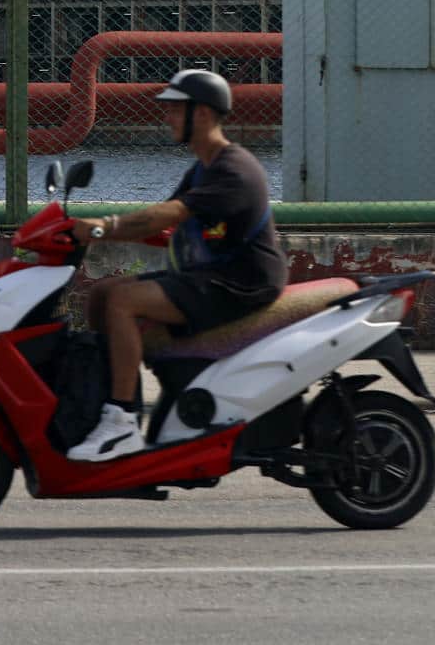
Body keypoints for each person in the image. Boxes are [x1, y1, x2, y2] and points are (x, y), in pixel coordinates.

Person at [62, 68, 287, 461]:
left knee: (122, 302)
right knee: (101, 294)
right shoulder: (202, 169)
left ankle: (122, 421)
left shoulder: (233, 169)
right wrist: (87, 235)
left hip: (239, 284)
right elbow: (164, 228)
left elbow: (165, 215)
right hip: (210, 277)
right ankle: (105, 401)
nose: (166, 118)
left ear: (201, 114)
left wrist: (100, 228)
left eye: (174, 110)